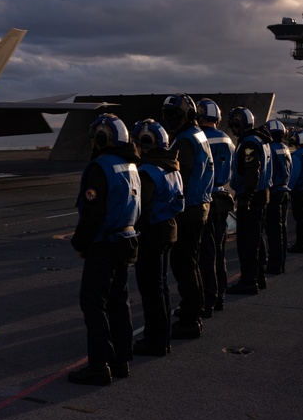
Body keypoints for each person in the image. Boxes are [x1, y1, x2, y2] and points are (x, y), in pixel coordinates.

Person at [69, 113, 140, 386]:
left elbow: (93, 212)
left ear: (101, 138)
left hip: (104, 244)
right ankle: (121, 361)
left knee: (93, 304)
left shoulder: (99, 167)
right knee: (118, 302)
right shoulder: (131, 165)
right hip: (127, 240)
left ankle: (99, 366)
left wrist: (80, 243)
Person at [160, 94, 213, 340]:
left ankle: (192, 318)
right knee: (191, 264)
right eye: (168, 115)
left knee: (184, 266)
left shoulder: (183, 141)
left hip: (188, 211)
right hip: (201, 206)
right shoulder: (198, 135)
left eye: (174, 115)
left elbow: (181, 179)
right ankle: (195, 309)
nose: (170, 120)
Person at [132, 119, 182, 357]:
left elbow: (142, 208)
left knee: (151, 289)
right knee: (161, 287)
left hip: (152, 234)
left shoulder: (147, 171)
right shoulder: (171, 165)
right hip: (169, 228)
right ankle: (163, 337)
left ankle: (155, 340)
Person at [226, 107, 271, 296]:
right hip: (262, 195)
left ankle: (248, 281)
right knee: (257, 239)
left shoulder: (248, 144)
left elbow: (253, 171)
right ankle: (259, 277)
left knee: (247, 243)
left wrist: (246, 198)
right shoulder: (261, 139)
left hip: (251, 197)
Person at [196, 98, 235, 316]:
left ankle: (207, 300)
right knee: (220, 251)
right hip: (223, 197)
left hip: (205, 199)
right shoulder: (227, 138)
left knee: (205, 255)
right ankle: (219, 295)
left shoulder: (198, 138)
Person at [263, 119, 291, 275]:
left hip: (273, 192)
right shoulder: (285, 148)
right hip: (284, 190)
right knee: (283, 229)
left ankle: (274, 265)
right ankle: (281, 263)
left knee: (273, 230)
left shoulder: (269, 149)